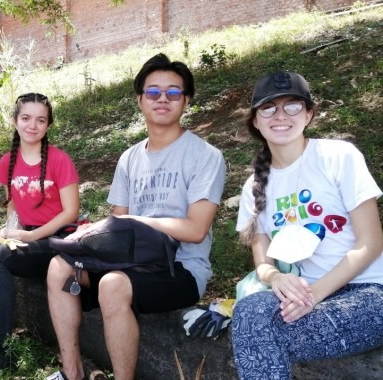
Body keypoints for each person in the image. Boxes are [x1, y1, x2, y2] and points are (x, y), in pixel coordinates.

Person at [45, 53, 226, 380]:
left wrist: (140, 222)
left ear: (185, 101)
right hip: (131, 262)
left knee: (113, 285)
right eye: (153, 92)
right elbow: (118, 226)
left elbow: (196, 229)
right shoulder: (129, 158)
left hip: (181, 270)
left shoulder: (205, 156)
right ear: (140, 99)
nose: (162, 99)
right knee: (60, 266)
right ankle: (73, 372)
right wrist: (88, 235)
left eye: (173, 93)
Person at [232, 71, 383, 379]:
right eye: (268, 107)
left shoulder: (337, 156)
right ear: (256, 121)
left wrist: (314, 294)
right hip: (306, 295)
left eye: (292, 106)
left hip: (371, 291)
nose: (280, 116)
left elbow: (371, 243)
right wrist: (275, 279)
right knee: (248, 312)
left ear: (309, 114)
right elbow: (262, 263)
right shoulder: (254, 186)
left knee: (262, 337)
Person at [0, 93, 80, 379]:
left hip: (58, 239)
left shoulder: (59, 160)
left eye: (40, 119)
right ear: (15, 121)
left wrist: (31, 237)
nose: (32, 125)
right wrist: (10, 229)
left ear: (47, 125)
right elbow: (13, 204)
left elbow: (71, 212)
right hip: (27, 233)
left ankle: (2, 351)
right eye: (26, 118)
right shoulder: (7, 161)